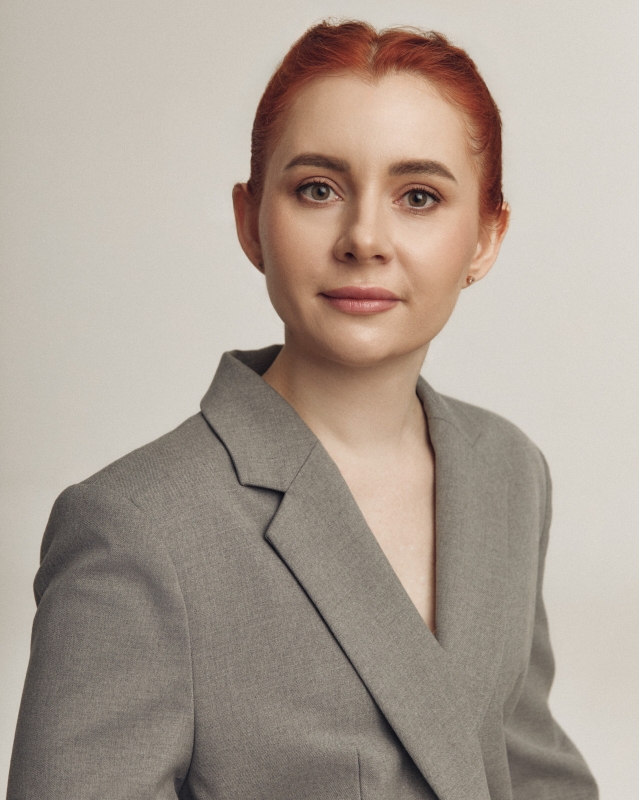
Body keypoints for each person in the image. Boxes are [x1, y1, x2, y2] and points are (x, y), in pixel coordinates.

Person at [8, 20, 598, 800]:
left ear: (487, 237)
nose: (364, 239)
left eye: (418, 196)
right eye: (317, 189)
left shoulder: (507, 469)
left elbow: (526, 765)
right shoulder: (137, 528)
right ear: (250, 220)